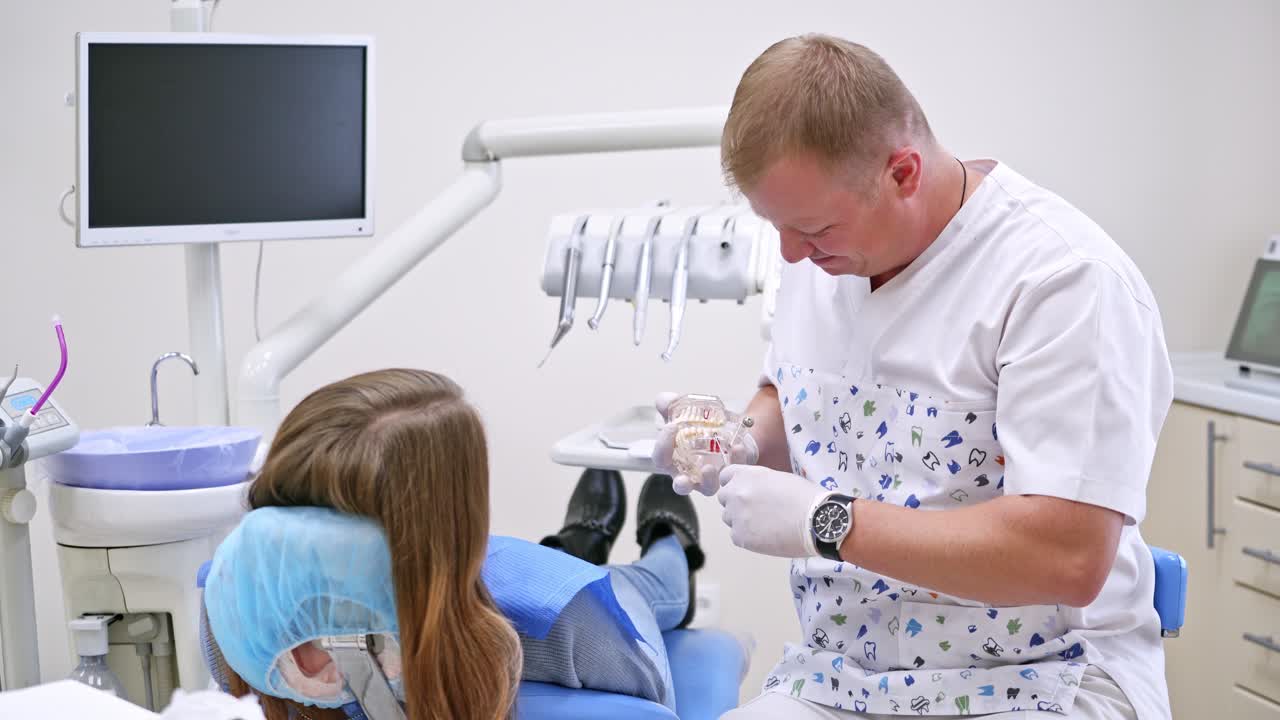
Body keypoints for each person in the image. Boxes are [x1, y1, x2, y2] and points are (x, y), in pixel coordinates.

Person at [654, 34, 1172, 719]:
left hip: (1039, 679)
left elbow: (1066, 557)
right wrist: (737, 436)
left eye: (812, 228)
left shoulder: (1063, 283)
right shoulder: (823, 257)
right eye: (776, 226)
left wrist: (826, 521)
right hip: (844, 679)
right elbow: (800, 395)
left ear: (902, 173)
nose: (791, 254)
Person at [201, 368, 706, 719]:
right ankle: (599, 536)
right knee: (609, 575)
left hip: (546, 587)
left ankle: (667, 541)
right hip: (527, 585)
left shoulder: (563, 613)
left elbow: (649, 706)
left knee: (655, 584)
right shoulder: (239, 601)